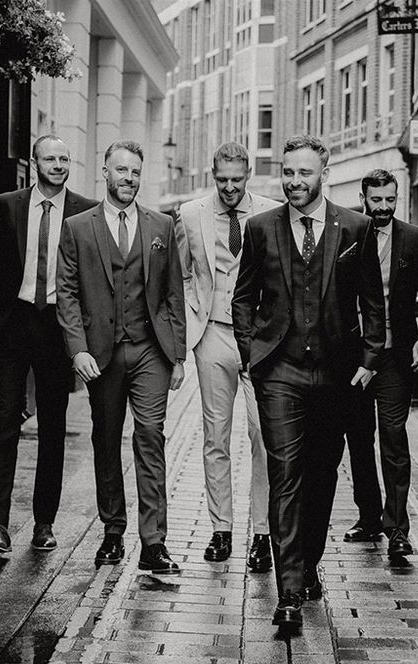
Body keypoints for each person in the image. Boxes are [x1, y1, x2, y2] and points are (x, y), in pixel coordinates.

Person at [232, 134, 385, 627]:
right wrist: (251, 352)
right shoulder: (260, 227)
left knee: (321, 476)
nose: (294, 182)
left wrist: (370, 356)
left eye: (304, 173)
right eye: (287, 172)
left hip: (338, 372)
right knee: (286, 475)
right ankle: (289, 591)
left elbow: (372, 300)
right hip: (279, 371)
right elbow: (243, 297)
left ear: (325, 173)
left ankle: (309, 561)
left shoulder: (356, 228)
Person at [56, 140, 186, 573]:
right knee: (106, 440)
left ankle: (154, 543)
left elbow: (172, 294)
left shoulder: (161, 226)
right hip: (101, 353)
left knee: (150, 437)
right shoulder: (77, 227)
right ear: (105, 173)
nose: (128, 178)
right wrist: (77, 350)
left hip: (151, 350)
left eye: (135, 171)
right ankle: (113, 530)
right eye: (121, 170)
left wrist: (178, 354)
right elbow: (68, 295)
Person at [0, 135, 96, 554]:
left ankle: (44, 522)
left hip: (56, 328)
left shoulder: (85, 210)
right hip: (13, 323)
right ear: (35, 162)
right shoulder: (7, 204)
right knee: (4, 423)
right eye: (50, 158)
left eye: (64, 158)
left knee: (53, 429)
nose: (58, 164)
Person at [175, 142, 275, 571]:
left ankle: (263, 533)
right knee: (216, 436)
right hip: (212, 333)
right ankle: (221, 529)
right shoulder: (190, 213)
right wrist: (188, 335)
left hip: (261, 340)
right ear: (211, 174)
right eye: (222, 180)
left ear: (248, 173)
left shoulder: (272, 212)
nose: (229, 187)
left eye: (237, 179)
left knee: (264, 438)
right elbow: (180, 274)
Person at [343, 169, 418, 560]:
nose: (384, 208)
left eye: (390, 200)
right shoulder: (347, 234)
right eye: (377, 200)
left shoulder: (415, 239)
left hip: (396, 357)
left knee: (394, 439)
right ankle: (368, 518)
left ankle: (398, 527)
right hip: (353, 359)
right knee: (359, 439)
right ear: (364, 198)